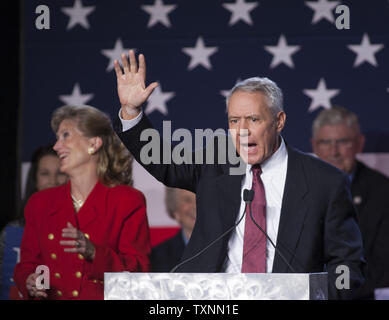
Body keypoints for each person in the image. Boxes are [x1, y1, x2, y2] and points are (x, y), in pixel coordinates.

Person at [112, 51, 365, 299]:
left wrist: (314, 295)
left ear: (279, 121)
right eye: (234, 121)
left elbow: (347, 266)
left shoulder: (325, 182)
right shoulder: (218, 160)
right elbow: (164, 162)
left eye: (253, 119)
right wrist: (132, 112)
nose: (242, 131)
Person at [14, 105, 151, 300]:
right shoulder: (40, 203)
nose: (56, 146)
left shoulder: (127, 201)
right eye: (57, 137)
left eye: (65, 136)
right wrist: (30, 280)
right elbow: (28, 265)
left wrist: (95, 253)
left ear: (93, 144)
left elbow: (138, 272)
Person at [311, 106, 389, 299]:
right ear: (314, 146)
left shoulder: (383, 192)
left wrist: (333, 293)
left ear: (359, 144)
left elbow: (382, 266)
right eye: (325, 142)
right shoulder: (295, 188)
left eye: (343, 142)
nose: (333, 152)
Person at [0, 145, 67, 299]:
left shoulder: (79, 231)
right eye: (45, 173)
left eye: (60, 173)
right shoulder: (11, 232)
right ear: (35, 180)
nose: (53, 181)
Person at [151, 187, 196, 272]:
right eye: (187, 200)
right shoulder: (157, 257)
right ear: (175, 211)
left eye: (200, 198)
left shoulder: (225, 251)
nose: (195, 205)